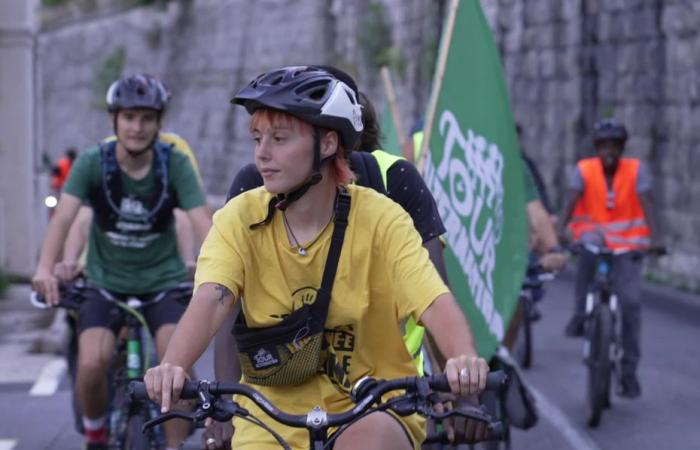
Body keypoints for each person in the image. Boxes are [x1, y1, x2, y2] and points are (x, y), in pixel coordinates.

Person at [144, 66, 489, 450]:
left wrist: (462, 358)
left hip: (373, 403)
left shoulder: (382, 217)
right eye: (257, 138)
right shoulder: (238, 218)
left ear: (327, 144)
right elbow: (213, 298)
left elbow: (432, 297)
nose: (262, 153)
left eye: (279, 138)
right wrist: (173, 364)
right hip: (268, 412)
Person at [31, 73, 212, 450]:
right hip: (105, 282)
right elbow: (64, 217)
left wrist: (214, 270)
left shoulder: (174, 164)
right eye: (129, 117)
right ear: (114, 120)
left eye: (147, 118)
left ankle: (175, 447)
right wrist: (46, 268)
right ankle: (95, 434)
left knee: (175, 370)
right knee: (92, 363)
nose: (137, 127)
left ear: (160, 123)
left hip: (163, 282)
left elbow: (202, 221)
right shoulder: (92, 162)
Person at [558, 118, 662, 398]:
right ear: (596, 147)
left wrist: (657, 239)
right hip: (592, 236)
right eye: (604, 145)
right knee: (586, 261)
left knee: (630, 304)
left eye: (615, 145)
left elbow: (648, 203)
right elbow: (570, 200)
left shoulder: (637, 170)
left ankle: (629, 372)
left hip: (628, 245)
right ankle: (580, 315)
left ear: (623, 147)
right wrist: (560, 230)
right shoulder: (584, 169)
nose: (609, 151)